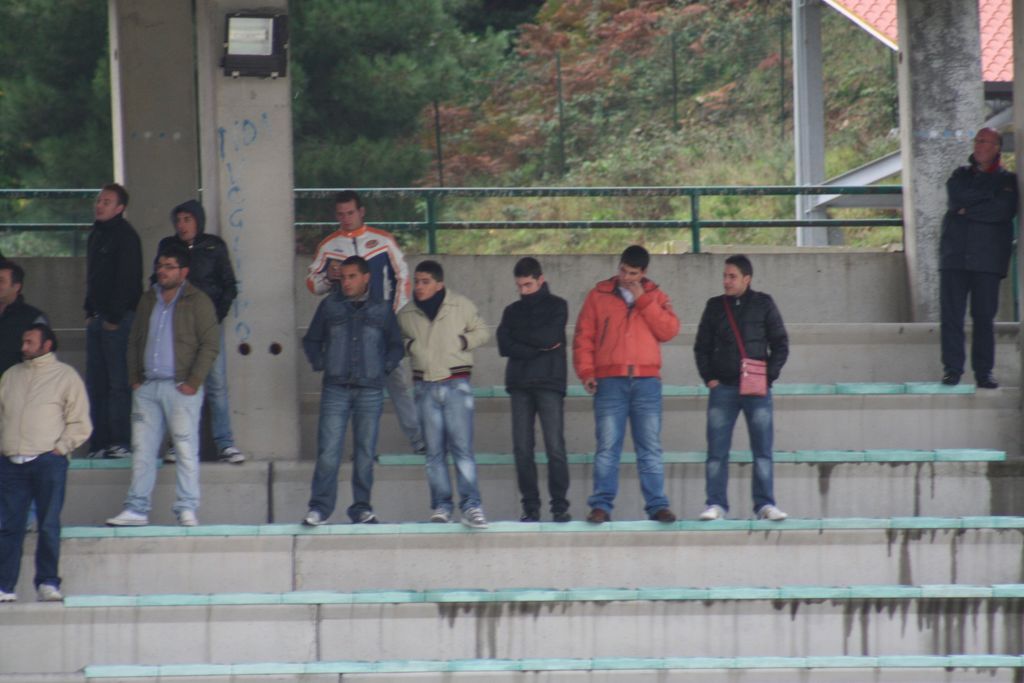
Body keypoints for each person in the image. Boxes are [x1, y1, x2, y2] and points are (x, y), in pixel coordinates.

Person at [105, 243, 219, 527]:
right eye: (160, 266)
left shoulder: (199, 301)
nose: (162, 271)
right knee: (142, 450)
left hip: (181, 387)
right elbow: (134, 340)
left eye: (169, 267)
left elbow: (210, 344)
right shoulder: (148, 299)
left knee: (185, 449)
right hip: (147, 387)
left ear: (184, 271)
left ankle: (187, 508)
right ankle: (136, 509)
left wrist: (193, 382)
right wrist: (135, 378)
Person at [306, 190, 424, 454]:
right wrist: (329, 277)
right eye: (340, 214)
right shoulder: (328, 245)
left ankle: (419, 440)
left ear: (361, 212)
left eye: (350, 213)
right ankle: (358, 450)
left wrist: (392, 315)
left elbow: (403, 277)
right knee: (348, 388)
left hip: (379, 325)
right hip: (344, 330)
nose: (346, 218)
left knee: (397, 382)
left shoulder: (383, 240)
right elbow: (313, 285)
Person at [573, 245, 678, 524]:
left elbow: (669, 330)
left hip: (646, 381)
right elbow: (584, 336)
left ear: (643, 273)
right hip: (609, 380)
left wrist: (643, 300)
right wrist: (586, 372)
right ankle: (601, 505)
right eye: (623, 270)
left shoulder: (655, 295)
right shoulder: (598, 295)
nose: (626, 277)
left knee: (650, 447)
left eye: (633, 273)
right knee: (608, 446)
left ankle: (657, 505)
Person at [301, 256, 403, 526]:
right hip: (336, 388)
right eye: (344, 277)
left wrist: (383, 367)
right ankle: (319, 509)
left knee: (365, 453)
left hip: (370, 389)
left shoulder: (382, 309)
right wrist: (322, 362)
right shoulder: (329, 306)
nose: (346, 282)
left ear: (366, 277)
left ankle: (361, 509)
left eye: (352, 277)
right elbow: (311, 340)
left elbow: (396, 346)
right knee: (328, 451)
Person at [694, 255, 789, 521]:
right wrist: (709, 378)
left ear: (747, 279)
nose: (726, 281)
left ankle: (765, 505)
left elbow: (780, 344)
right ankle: (716, 504)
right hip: (723, 387)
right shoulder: (714, 306)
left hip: (756, 389)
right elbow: (701, 346)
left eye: (732, 276)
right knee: (716, 452)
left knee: (762, 450)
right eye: (724, 276)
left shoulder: (764, 304)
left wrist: (768, 377)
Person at [0, 324, 91, 602]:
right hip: (11, 463)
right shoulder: (11, 375)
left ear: (47, 345)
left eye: (30, 342)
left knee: (48, 525)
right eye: (23, 342)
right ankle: (5, 586)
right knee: (8, 527)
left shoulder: (66, 376)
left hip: (47, 462)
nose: (24, 347)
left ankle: (48, 583)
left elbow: (80, 422)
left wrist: (60, 449)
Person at [397, 260, 490, 528]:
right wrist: (410, 346)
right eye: (417, 281)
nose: (419, 286)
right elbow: (393, 342)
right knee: (434, 453)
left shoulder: (461, 306)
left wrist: (463, 341)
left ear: (439, 284)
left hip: (456, 385)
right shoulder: (406, 314)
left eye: (425, 282)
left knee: (462, 449)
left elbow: (483, 332)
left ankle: (471, 507)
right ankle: (442, 506)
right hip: (424, 387)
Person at [156, 200, 244, 463]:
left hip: (208, 326)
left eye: (187, 219)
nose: (182, 225)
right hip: (177, 326)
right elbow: (156, 281)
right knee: (179, 384)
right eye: (178, 220)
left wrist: (216, 316)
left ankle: (225, 443)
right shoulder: (168, 246)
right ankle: (177, 443)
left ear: (198, 221)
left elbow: (229, 285)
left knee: (216, 384)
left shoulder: (214, 246)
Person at [939, 127, 1018, 389]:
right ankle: (952, 370)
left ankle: (984, 372)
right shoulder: (960, 175)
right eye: (977, 140)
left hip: (988, 259)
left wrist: (968, 209)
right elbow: (955, 201)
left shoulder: (1008, 181)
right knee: (952, 315)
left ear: (997, 148)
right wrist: (984, 199)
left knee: (984, 317)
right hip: (955, 256)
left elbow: (1002, 211)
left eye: (985, 141)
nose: (979, 145)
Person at [496, 257, 571, 522]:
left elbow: (548, 337)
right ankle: (530, 507)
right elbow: (503, 344)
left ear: (541, 280)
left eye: (528, 285)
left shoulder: (558, 305)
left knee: (555, 447)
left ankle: (559, 506)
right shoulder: (511, 310)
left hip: (550, 382)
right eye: (520, 286)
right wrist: (537, 348)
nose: (524, 291)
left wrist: (520, 340)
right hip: (520, 384)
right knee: (522, 449)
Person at [85, 183, 142, 458]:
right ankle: (99, 442)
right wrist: (89, 312)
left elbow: (129, 279)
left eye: (106, 202)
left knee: (118, 383)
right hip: (96, 318)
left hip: (116, 321)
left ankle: (121, 441)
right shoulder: (95, 234)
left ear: (120, 208)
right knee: (96, 383)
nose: (100, 205)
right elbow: (92, 277)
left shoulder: (126, 236)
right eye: (99, 200)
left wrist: (114, 317)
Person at [0, 260, 48, 376]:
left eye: (1, 281)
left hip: (18, 381)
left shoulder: (33, 317)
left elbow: (42, 357)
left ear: (16, 286)